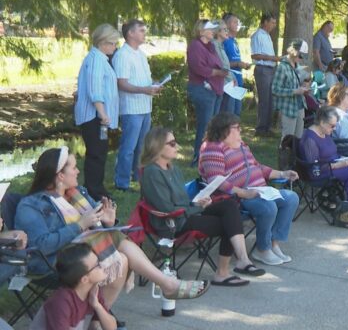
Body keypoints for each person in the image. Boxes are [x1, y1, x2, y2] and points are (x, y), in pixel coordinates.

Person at [16, 147, 209, 309]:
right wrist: (80, 224)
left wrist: (108, 222)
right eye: (73, 168)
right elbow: (41, 246)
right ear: (59, 175)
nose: (77, 172)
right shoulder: (31, 205)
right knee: (119, 248)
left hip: (85, 252)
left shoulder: (77, 194)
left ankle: (96, 319)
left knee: (122, 258)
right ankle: (166, 285)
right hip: (53, 263)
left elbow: (98, 227)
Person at [140, 126, 262, 285]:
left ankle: (242, 259)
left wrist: (199, 203)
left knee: (229, 206)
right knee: (228, 224)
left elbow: (181, 201)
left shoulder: (173, 169)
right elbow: (167, 209)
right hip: (172, 222)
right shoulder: (152, 173)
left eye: (176, 142)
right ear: (157, 146)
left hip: (186, 212)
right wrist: (197, 207)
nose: (177, 147)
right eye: (172, 143)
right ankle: (222, 274)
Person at [199, 113, 299, 266]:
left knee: (291, 198)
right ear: (224, 130)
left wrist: (282, 173)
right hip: (237, 197)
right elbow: (216, 181)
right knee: (268, 206)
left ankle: (273, 243)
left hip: (260, 190)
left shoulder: (241, 145)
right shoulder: (212, 148)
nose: (240, 131)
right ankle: (262, 249)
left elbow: (257, 167)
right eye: (237, 128)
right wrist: (245, 193)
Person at [112, 19, 160, 193]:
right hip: (131, 109)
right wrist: (144, 89)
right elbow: (122, 83)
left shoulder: (140, 53)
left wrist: (153, 85)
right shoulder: (122, 55)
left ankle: (137, 176)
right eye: (141, 30)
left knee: (141, 146)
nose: (144, 33)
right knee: (128, 147)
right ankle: (121, 182)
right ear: (130, 33)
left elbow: (142, 79)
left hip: (145, 106)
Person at [74, 24, 120, 200]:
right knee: (96, 153)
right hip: (94, 116)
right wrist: (102, 113)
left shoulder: (100, 58)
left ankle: (96, 188)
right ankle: (94, 191)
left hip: (98, 116)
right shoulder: (95, 60)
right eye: (113, 43)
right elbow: (95, 89)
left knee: (99, 152)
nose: (115, 47)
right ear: (103, 43)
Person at [30, 243, 117, 330]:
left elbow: (112, 327)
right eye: (97, 265)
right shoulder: (61, 302)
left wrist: (97, 306)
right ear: (85, 279)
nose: (102, 265)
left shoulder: (92, 291)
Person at [299, 106, 348, 206]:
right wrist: (338, 165)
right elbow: (315, 169)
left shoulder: (325, 132)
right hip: (320, 173)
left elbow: (332, 153)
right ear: (322, 122)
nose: (335, 128)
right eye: (332, 126)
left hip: (333, 166)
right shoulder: (309, 139)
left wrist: (346, 159)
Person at [187, 19, 229, 163]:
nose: (213, 31)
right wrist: (217, 73)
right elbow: (198, 68)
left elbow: (217, 63)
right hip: (202, 90)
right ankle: (198, 157)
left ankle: (210, 155)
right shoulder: (195, 46)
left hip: (215, 89)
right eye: (210, 29)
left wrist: (222, 71)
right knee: (205, 124)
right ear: (201, 31)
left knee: (213, 125)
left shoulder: (210, 46)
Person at [272, 39, 310, 138]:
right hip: (288, 108)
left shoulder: (297, 66)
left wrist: (304, 86)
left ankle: (294, 154)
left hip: (300, 106)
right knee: (287, 139)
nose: (301, 59)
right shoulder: (282, 67)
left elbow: (296, 83)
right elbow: (275, 89)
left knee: (298, 138)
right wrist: (295, 91)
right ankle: (284, 154)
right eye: (300, 56)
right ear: (294, 52)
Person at [250, 12, 280, 136]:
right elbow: (255, 55)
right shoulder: (258, 35)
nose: (274, 25)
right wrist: (272, 58)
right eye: (272, 22)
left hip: (270, 69)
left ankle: (267, 127)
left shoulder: (267, 35)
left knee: (270, 99)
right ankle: (261, 129)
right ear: (265, 22)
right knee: (264, 100)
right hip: (263, 69)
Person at [221, 12, 252, 116]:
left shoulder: (234, 41)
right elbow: (221, 63)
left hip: (238, 81)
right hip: (229, 82)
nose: (238, 24)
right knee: (229, 115)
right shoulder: (224, 41)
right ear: (227, 24)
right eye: (235, 22)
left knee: (237, 113)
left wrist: (243, 65)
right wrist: (238, 64)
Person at [211, 21, 237, 113]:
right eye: (225, 29)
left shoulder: (221, 46)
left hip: (227, 85)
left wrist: (233, 78)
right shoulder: (214, 45)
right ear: (218, 32)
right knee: (224, 118)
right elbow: (221, 66)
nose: (228, 31)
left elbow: (226, 66)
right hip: (223, 86)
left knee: (229, 116)